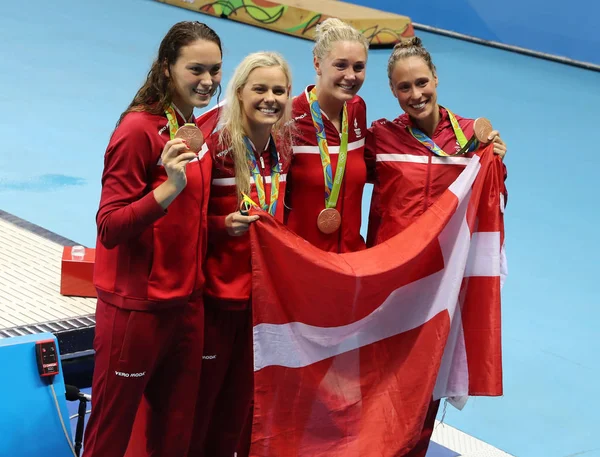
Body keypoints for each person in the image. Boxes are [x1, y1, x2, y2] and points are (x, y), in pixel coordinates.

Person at [82, 21, 222, 457]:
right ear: (166, 69)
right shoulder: (136, 130)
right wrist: (165, 190)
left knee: (174, 436)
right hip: (136, 312)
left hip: (187, 306)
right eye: (195, 69)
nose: (208, 81)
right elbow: (109, 227)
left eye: (215, 70)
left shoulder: (191, 129)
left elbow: (188, 221)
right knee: (110, 435)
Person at [366, 36, 508, 456]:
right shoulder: (382, 139)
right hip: (389, 283)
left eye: (422, 83)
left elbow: (491, 204)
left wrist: (498, 164)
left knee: (426, 380)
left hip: (441, 286)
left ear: (436, 79)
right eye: (404, 87)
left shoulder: (470, 139)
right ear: (392, 91)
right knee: (380, 379)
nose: (416, 94)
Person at [187, 51, 294, 457]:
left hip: (260, 304)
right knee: (201, 408)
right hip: (214, 300)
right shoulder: (213, 141)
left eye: (279, 90)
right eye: (260, 89)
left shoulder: (281, 144)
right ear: (239, 92)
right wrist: (221, 226)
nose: (270, 98)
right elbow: (182, 220)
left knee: (238, 411)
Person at [284, 18, 370, 253]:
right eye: (340, 65)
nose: (351, 76)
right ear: (318, 64)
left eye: (359, 67)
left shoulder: (357, 109)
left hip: (349, 258)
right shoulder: (287, 118)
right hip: (300, 259)